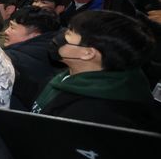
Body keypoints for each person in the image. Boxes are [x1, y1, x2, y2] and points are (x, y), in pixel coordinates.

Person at [33, 10, 161, 131]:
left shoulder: (92, 115)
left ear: (88, 53)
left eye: (69, 33)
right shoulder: (73, 75)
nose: (61, 35)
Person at [3, 7, 63, 110]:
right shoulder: (60, 53)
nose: (6, 31)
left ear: (35, 35)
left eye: (12, 27)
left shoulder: (12, 60)